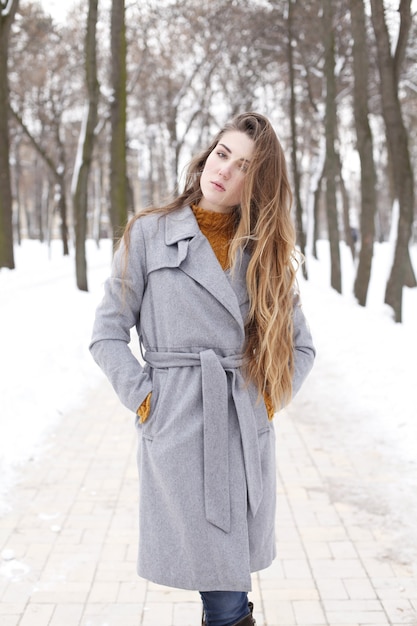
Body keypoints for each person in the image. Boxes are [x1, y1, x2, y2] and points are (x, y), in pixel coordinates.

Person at [89, 112, 315, 626]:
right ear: (206, 155)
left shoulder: (266, 251)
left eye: (244, 167)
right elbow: (106, 333)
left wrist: (265, 404)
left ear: (257, 184)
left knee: (226, 587)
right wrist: (149, 400)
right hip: (177, 426)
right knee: (222, 586)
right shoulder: (148, 234)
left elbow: (302, 349)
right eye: (222, 154)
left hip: (239, 428)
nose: (225, 172)